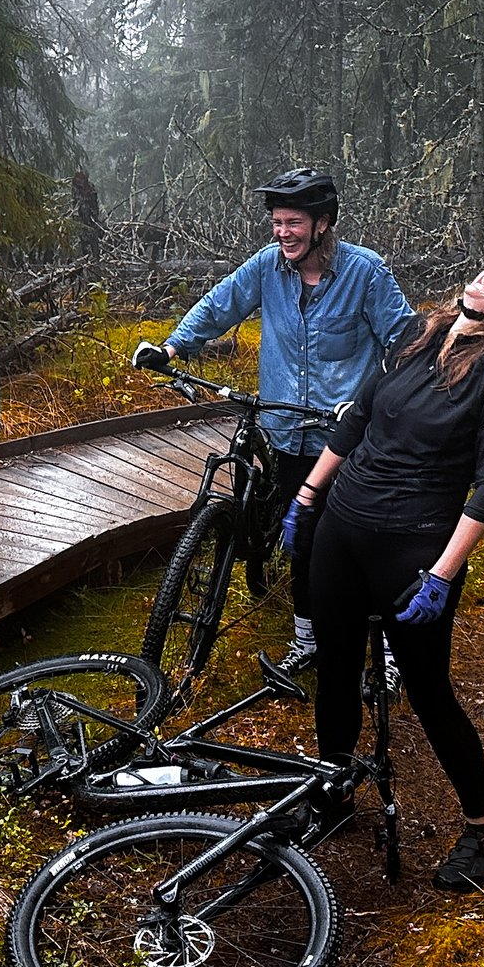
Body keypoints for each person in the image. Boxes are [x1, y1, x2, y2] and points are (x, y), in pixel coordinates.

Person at [284, 230, 484, 893]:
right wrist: (307, 494)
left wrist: (441, 573)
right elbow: (355, 419)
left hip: (413, 547)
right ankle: (333, 793)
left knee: (431, 693)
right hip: (342, 530)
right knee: (336, 671)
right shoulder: (417, 333)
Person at [129, 168, 415, 669]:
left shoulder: (365, 272)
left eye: (293, 223)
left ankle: (386, 657)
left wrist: (379, 402)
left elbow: (404, 343)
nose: (282, 232)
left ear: (322, 223)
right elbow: (221, 304)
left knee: (363, 549)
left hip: (348, 443)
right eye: (277, 222)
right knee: (302, 543)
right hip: (288, 438)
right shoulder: (268, 267)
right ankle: (308, 643)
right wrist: (172, 346)